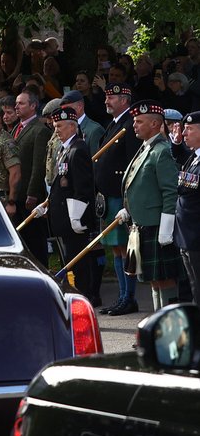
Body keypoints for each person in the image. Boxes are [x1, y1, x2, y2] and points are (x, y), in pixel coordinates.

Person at [118, 100, 181, 312]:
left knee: (165, 281)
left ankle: (171, 332)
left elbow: (170, 190)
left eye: (139, 121)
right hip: (143, 223)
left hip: (157, 224)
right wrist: (128, 208)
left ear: (155, 124)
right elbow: (139, 185)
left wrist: (166, 226)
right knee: (154, 281)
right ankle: (159, 328)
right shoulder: (146, 147)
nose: (134, 125)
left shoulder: (161, 150)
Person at [39, 107, 97, 302]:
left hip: (74, 218)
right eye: (55, 126)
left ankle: (84, 300)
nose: (56, 130)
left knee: (78, 263)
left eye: (60, 126)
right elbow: (60, 184)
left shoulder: (78, 149)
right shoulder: (64, 150)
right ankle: (76, 297)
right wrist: (47, 204)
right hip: (64, 217)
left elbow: (83, 186)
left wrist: (77, 215)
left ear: (73, 127)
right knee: (70, 263)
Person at [95, 84, 142, 316]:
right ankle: (122, 297)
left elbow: (132, 164)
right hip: (108, 196)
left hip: (120, 197)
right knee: (115, 250)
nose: (107, 101)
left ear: (124, 99)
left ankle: (129, 297)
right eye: (106, 97)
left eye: (111, 97)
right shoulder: (113, 124)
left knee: (125, 250)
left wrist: (127, 202)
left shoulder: (129, 125)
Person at [11, 89, 52, 265]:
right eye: (16, 103)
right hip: (17, 192)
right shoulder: (16, 127)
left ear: (33, 105)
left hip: (29, 194)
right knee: (22, 238)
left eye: (21, 103)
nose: (16, 106)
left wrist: (33, 193)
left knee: (35, 240)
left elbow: (38, 165)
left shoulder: (39, 130)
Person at [173, 111, 200, 304]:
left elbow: (185, 188)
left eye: (189, 129)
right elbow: (182, 158)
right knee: (194, 286)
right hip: (188, 235)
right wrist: (175, 144)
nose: (184, 133)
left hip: (196, 236)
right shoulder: (194, 156)